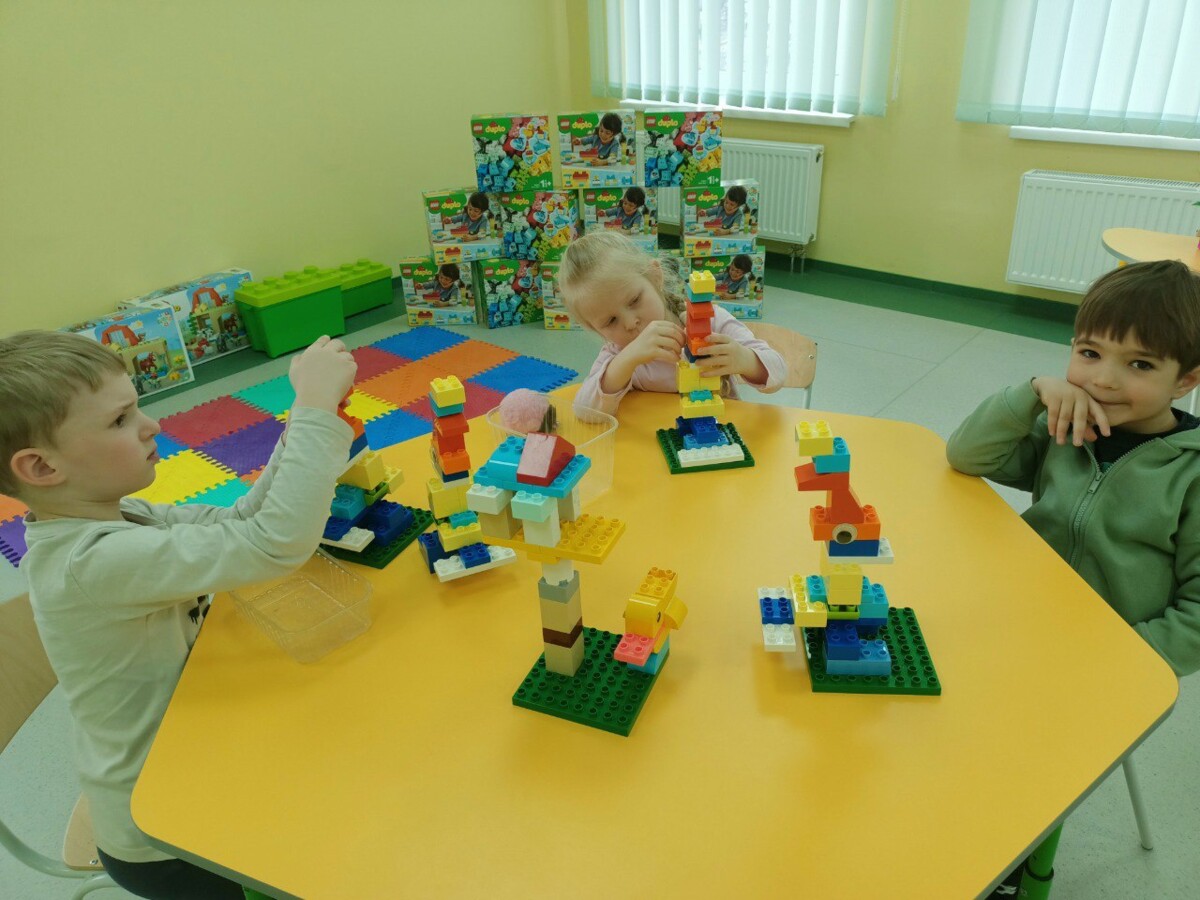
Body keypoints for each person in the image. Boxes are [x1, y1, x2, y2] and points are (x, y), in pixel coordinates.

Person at [2, 331, 356, 899]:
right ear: (42, 466)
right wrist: (314, 409)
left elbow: (242, 520)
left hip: (198, 751)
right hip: (167, 836)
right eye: (121, 420)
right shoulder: (93, 562)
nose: (153, 425)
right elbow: (274, 543)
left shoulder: (119, 515)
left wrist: (301, 426)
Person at [947, 260, 1200, 677]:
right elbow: (968, 454)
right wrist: (1033, 392)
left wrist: (1121, 661)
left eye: (1141, 364)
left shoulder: (1190, 473)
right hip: (1021, 618)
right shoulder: (1063, 424)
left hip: (1111, 661)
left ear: (1185, 381)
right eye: (1089, 353)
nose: (1103, 380)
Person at [558, 231, 785, 418]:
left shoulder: (712, 321)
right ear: (595, 328)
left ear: (655, 277)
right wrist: (626, 361)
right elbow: (584, 411)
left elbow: (778, 371)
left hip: (722, 437)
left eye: (634, 300)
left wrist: (744, 360)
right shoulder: (618, 354)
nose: (630, 323)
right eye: (610, 321)